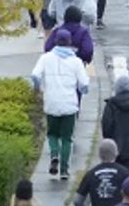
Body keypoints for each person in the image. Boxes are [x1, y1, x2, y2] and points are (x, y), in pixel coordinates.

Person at [31, 28, 90, 180]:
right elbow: (84, 84)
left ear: (56, 41)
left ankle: (54, 155)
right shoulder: (76, 62)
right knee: (67, 138)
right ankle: (64, 170)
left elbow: (35, 75)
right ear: (70, 43)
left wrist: (37, 88)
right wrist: (83, 89)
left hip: (51, 102)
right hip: (69, 104)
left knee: (52, 134)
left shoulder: (45, 58)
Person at [72, 139, 129, 206]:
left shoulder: (90, 174)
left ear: (99, 155)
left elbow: (77, 200)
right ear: (116, 153)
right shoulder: (125, 173)